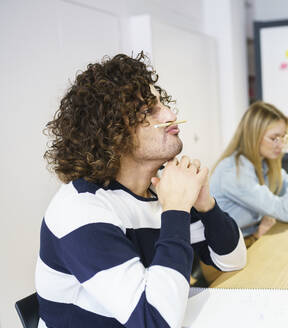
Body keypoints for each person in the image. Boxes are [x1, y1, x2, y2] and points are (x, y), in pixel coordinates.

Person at [36, 52, 246, 328]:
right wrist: (175, 211)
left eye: (163, 104)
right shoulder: (81, 210)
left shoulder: (162, 189)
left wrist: (205, 204)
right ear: (111, 132)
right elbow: (155, 322)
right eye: (149, 110)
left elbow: (233, 260)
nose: (172, 115)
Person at [210, 101, 288, 247]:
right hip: (224, 254)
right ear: (253, 135)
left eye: (283, 137)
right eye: (274, 138)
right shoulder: (233, 172)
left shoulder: (263, 163)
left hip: (248, 241)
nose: (280, 145)